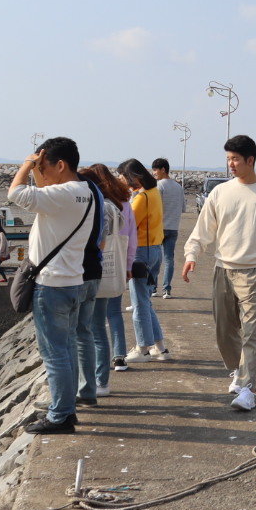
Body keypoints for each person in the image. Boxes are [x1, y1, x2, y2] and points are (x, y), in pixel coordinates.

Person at [180, 135, 256, 412]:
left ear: (250, 160)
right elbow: (204, 229)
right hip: (223, 268)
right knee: (224, 329)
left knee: (253, 331)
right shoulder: (220, 192)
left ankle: (247, 388)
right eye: (228, 159)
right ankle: (238, 371)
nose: (231, 164)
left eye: (235, 159)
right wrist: (192, 254)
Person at [8, 137, 103, 435]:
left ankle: (60, 415)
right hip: (72, 281)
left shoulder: (62, 194)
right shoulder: (86, 191)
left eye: (43, 167)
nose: (41, 173)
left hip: (51, 285)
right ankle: (67, 408)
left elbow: (15, 193)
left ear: (60, 165)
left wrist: (27, 163)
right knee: (68, 349)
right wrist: (39, 167)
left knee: (55, 354)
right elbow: (42, 189)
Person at [82, 164, 135, 395]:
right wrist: (128, 265)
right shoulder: (119, 205)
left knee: (90, 329)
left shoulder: (99, 206)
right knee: (105, 322)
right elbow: (130, 237)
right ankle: (106, 374)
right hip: (113, 270)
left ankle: (98, 381)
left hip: (93, 271)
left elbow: (97, 241)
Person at [118, 158, 170, 360]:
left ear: (133, 177)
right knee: (145, 301)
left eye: (123, 176)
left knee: (139, 303)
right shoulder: (153, 192)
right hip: (155, 249)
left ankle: (142, 349)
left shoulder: (140, 198)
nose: (121, 180)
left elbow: (126, 225)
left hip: (141, 251)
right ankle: (160, 347)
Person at [152, 157, 185, 298]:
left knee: (156, 258)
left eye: (155, 170)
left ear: (163, 170)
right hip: (173, 227)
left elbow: (155, 207)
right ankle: (167, 289)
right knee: (169, 259)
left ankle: (153, 288)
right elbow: (183, 208)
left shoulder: (159, 186)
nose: (154, 173)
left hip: (159, 227)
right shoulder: (179, 187)